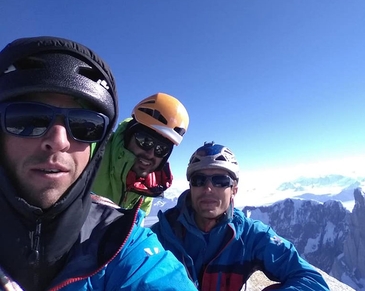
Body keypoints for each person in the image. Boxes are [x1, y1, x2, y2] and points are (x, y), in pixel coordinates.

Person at [0, 36, 197, 291]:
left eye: (84, 126)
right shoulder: (97, 160)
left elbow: (132, 248)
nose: (59, 141)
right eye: (29, 119)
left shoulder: (145, 187)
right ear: (125, 135)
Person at [151, 141, 330, 291]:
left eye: (220, 181)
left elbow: (312, 280)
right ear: (191, 187)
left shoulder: (251, 235)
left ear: (234, 189)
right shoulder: (161, 236)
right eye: (199, 180)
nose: (208, 189)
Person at [92, 92, 189, 215]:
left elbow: (135, 226)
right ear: (128, 135)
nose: (150, 154)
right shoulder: (94, 152)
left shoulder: (147, 187)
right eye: (145, 141)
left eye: (161, 149)